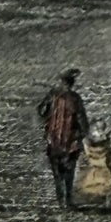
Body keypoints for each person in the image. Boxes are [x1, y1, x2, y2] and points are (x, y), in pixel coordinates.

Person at [36, 67, 89, 208]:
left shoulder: (53, 95)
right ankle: (68, 200)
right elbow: (81, 119)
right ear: (72, 83)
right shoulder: (75, 98)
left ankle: (61, 201)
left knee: (57, 172)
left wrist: (48, 120)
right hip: (70, 140)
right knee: (69, 171)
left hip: (53, 139)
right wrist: (84, 134)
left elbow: (41, 110)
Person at [73, 118, 111, 210]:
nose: (99, 130)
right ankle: (101, 201)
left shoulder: (98, 137)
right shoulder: (93, 138)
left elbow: (100, 141)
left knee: (106, 185)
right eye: (98, 127)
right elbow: (93, 143)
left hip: (102, 164)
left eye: (101, 127)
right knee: (100, 184)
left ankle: (106, 202)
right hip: (98, 164)